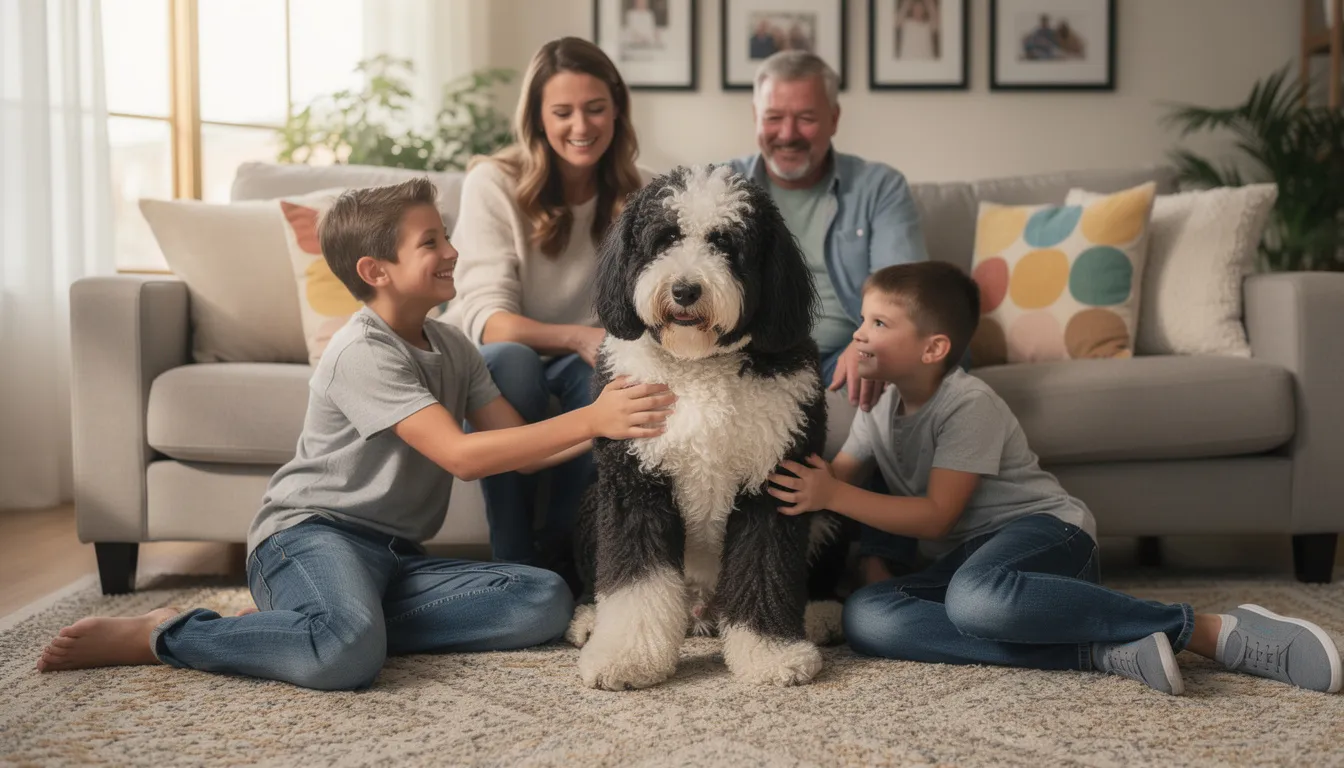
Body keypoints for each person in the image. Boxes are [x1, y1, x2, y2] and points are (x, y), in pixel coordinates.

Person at [35, 179, 676, 690]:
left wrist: (624, 426)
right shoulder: (361, 351)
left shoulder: (452, 344)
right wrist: (592, 418)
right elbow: (462, 457)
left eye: (445, 235)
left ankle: (309, 623)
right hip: (310, 537)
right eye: (431, 242)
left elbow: (523, 453)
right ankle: (167, 633)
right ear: (377, 270)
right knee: (345, 657)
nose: (452, 251)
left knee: (542, 600)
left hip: (394, 557)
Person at [767, 261, 1343, 696]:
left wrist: (835, 493)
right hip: (973, 564)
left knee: (975, 601)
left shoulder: (968, 403)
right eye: (863, 319)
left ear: (933, 348)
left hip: (1045, 536)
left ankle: (1209, 631)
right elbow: (830, 483)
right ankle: (1102, 650)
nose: (859, 335)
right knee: (868, 615)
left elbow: (935, 515)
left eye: (878, 322)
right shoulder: (878, 406)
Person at [447, 37, 652, 592]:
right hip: (510, 355)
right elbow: (489, 321)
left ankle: (567, 554)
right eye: (562, 112)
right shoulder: (494, 181)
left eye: (595, 108)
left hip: (589, 359)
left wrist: (596, 345)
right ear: (538, 119)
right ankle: (513, 558)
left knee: (607, 374)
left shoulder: (643, 194)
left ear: (616, 110)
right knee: (508, 361)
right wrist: (579, 335)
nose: (580, 126)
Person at [725, 49, 930, 583]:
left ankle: (880, 561)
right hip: (753, 355)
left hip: (845, 350)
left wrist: (869, 349)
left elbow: (907, 295)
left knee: (897, 370)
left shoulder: (879, 187)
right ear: (756, 119)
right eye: (774, 117)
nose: (787, 133)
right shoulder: (726, 190)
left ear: (834, 119)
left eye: (806, 117)